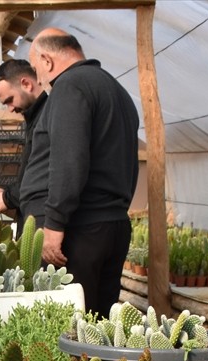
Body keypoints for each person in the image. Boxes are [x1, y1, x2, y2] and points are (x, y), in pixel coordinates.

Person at [20, 31, 140, 318]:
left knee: (72, 328)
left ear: (47, 60)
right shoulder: (117, 91)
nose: (40, 79)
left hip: (81, 231)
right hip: (114, 225)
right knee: (99, 324)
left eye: (36, 69)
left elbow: (69, 160)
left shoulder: (70, 87)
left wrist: (54, 226)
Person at [0, 58, 46, 231]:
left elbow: (43, 179)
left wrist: (6, 199)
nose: (10, 109)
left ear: (26, 84)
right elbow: (32, 175)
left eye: (9, 100)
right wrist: (3, 193)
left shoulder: (48, 118)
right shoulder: (34, 119)